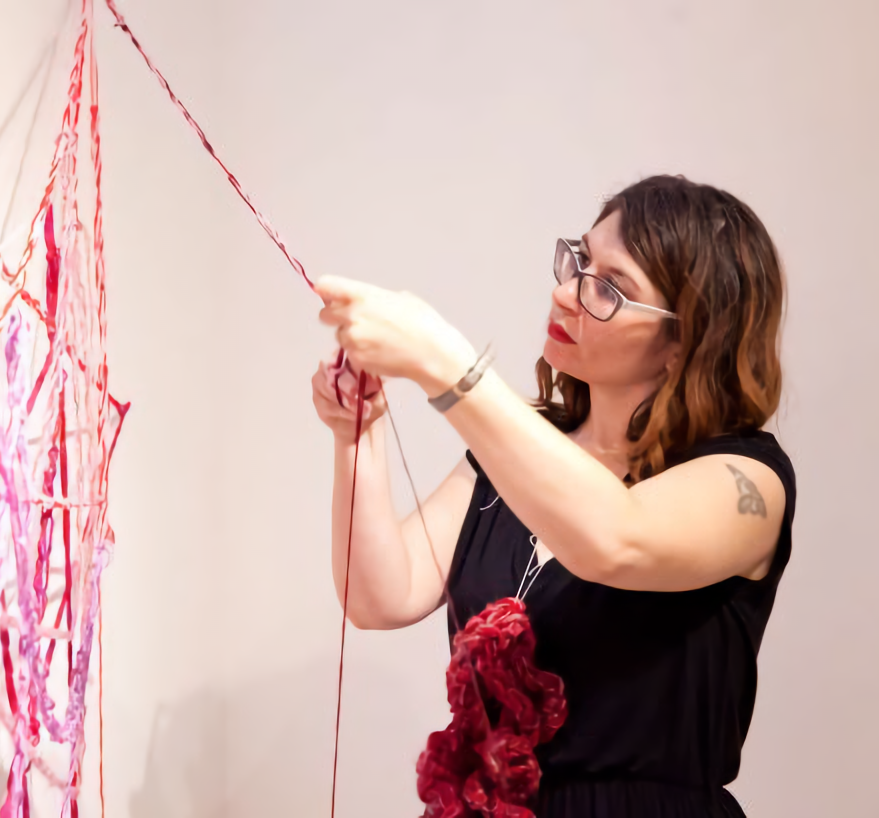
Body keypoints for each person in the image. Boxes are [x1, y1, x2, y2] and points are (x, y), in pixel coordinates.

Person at [312, 175, 795, 817]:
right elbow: (381, 594)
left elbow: (616, 538)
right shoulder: (525, 447)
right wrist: (357, 434)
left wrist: (446, 364)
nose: (566, 293)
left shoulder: (747, 479)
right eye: (580, 261)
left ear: (686, 341)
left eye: (609, 289)